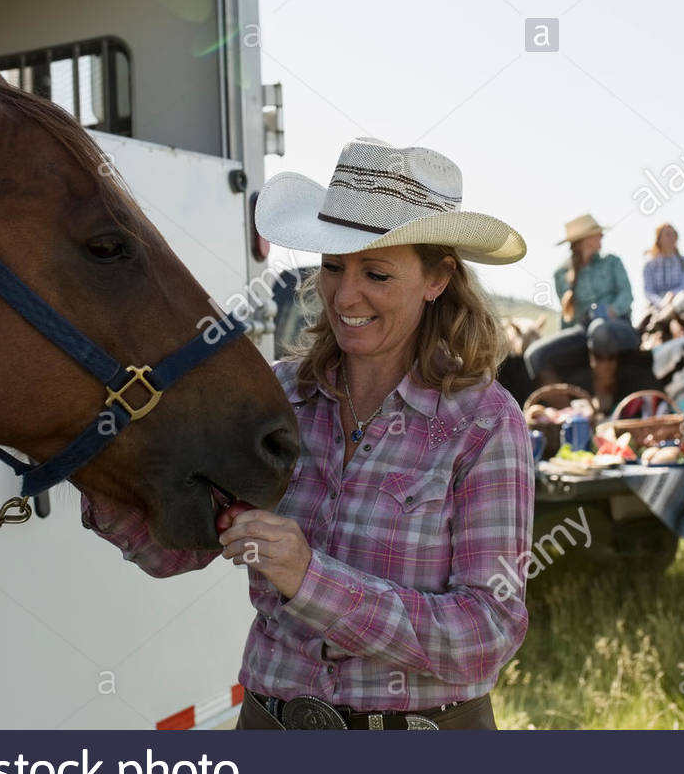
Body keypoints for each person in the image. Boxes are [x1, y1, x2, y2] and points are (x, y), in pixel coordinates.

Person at [81, 137, 534, 729]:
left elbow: (487, 632)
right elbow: (174, 552)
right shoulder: (280, 399)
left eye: (376, 272)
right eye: (332, 266)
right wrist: (86, 459)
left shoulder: (483, 423)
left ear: (437, 279)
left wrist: (309, 577)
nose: (346, 296)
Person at [522, 213, 635, 406]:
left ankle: (603, 400)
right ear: (584, 240)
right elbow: (567, 315)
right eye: (596, 233)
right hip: (583, 329)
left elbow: (627, 297)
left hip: (617, 326)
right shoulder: (561, 273)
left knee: (599, 329)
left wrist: (609, 311)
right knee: (534, 355)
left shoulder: (612, 262)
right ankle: (568, 412)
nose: (601, 236)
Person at [642, 223, 684, 308]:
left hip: (681, 303)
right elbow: (648, 291)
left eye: (674, 234)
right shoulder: (649, 266)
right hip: (656, 306)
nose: (672, 238)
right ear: (659, 239)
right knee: (644, 320)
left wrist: (673, 295)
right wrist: (661, 303)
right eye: (668, 235)